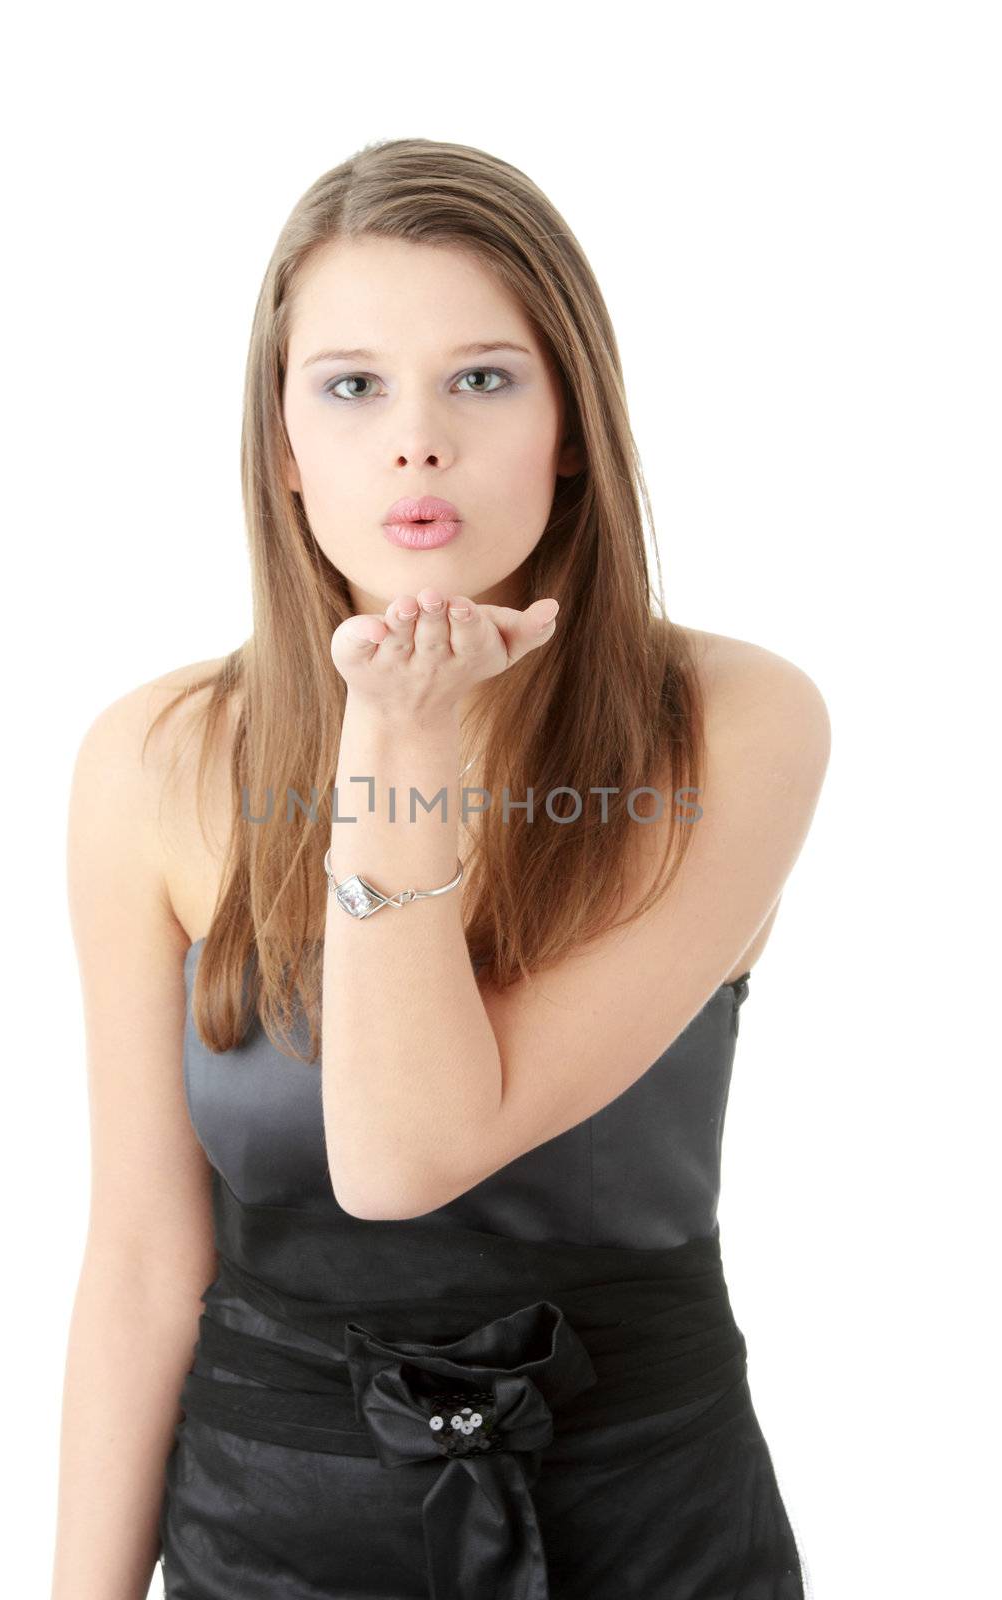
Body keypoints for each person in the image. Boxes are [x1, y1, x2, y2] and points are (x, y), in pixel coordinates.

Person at [52, 137, 829, 1600]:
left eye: (482, 379)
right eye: (353, 387)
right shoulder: (150, 758)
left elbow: (406, 1155)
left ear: (572, 426)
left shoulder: (732, 721)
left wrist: (402, 746)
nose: (417, 442)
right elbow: (146, 1263)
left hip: (649, 1526)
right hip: (263, 1533)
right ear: (285, 448)